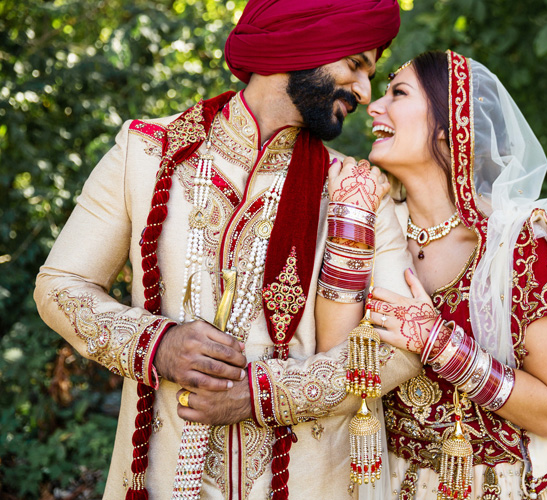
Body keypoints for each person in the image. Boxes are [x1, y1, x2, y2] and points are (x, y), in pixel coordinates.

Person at [33, 1, 422, 499]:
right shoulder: (147, 152)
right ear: (301, 45)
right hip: (161, 476)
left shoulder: (356, 188)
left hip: (307, 481)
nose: (367, 93)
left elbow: (401, 347)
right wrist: (158, 345)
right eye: (356, 65)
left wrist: (263, 396)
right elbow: (60, 284)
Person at [358, 51, 547, 499]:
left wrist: (438, 343)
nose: (374, 106)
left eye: (397, 93)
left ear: (447, 123)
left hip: (493, 485)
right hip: (387, 481)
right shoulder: (372, 227)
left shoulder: (518, 243)